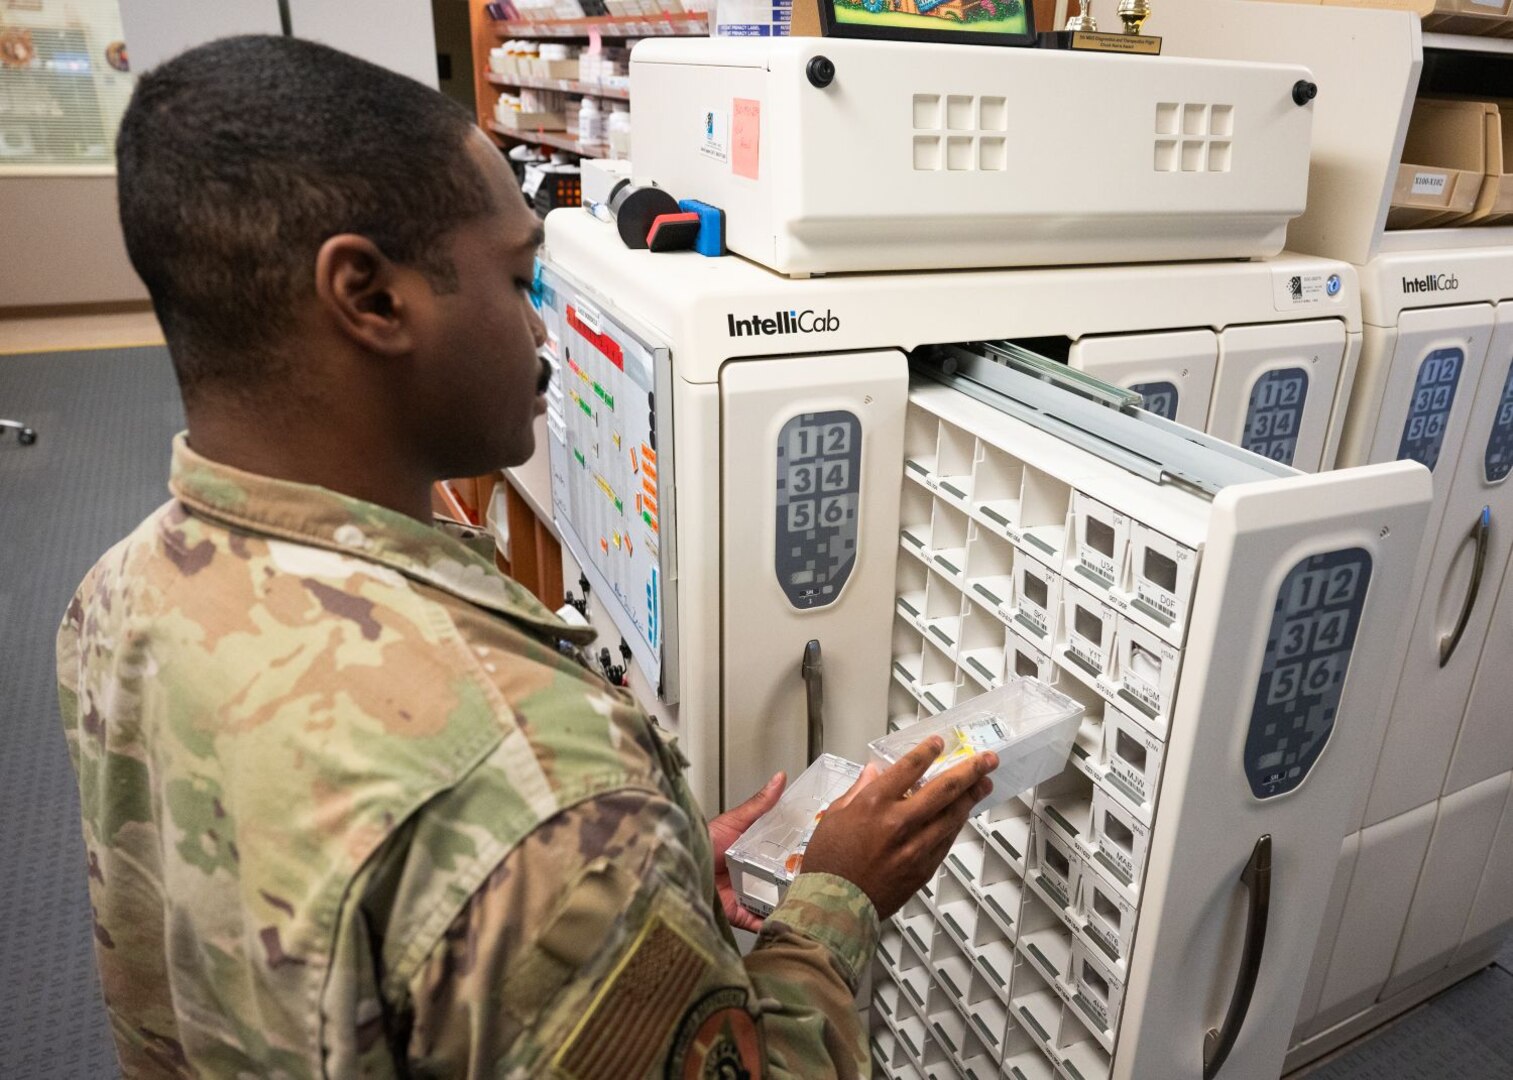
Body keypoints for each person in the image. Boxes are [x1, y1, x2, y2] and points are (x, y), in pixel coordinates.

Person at [56, 34, 998, 1079]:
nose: (542, 337)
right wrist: (833, 902)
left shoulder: (120, 590)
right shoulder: (536, 791)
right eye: (518, 280)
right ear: (369, 297)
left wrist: (654, 868)